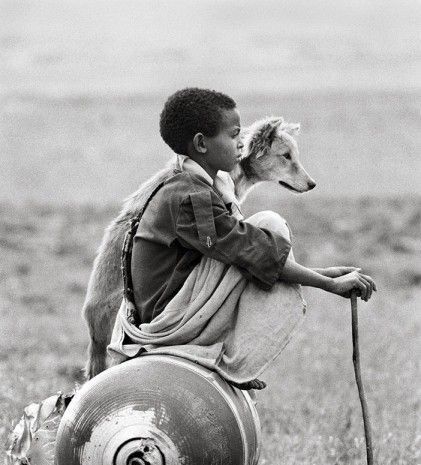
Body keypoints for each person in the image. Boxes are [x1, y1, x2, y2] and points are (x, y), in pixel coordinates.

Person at [109, 87, 376, 389]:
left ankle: (219, 359)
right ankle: (231, 364)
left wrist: (324, 273)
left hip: (169, 312)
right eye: (234, 135)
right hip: (164, 325)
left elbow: (243, 248)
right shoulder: (192, 196)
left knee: (255, 243)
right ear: (201, 144)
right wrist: (327, 283)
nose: (242, 142)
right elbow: (248, 250)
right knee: (267, 226)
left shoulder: (192, 185)